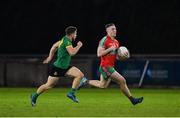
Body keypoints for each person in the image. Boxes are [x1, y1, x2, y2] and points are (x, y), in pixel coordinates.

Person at [78, 23, 143, 105]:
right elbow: (99, 54)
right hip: (105, 67)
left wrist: (123, 56)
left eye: (115, 29)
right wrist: (110, 49)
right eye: (112, 29)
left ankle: (85, 81)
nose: (115, 30)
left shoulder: (116, 42)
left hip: (110, 66)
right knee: (122, 81)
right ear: (107, 30)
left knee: (102, 86)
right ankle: (133, 100)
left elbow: (116, 57)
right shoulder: (104, 40)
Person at [31, 26, 85, 106]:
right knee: (48, 86)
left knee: (80, 75)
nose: (76, 35)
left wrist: (49, 57)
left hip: (65, 67)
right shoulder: (67, 41)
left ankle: (71, 93)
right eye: (76, 33)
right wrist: (79, 46)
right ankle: (34, 96)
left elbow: (54, 46)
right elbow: (72, 53)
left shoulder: (63, 39)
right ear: (72, 34)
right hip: (58, 68)